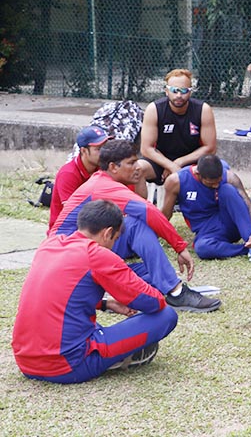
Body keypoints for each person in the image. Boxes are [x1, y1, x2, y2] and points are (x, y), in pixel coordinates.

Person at [12, 200, 178, 383]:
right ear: (108, 233)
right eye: (114, 240)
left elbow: (61, 292)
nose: (113, 246)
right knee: (166, 315)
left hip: (25, 362)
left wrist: (106, 304)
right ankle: (115, 358)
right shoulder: (97, 255)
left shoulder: (49, 245)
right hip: (67, 365)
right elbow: (153, 302)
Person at [51, 140, 221, 313]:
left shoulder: (105, 182)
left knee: (156, 270)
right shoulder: (102, 185)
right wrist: (179, 246)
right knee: (136, 224)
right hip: (67, 257)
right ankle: (176, 293)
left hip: (82, 253)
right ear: (113, 167)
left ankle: (151, 287)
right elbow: (148, 211)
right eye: (131, 163)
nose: (137, 167)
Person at [161, 154, 251, 263]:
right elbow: (165, 216)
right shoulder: (176, 181)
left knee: (227, 190)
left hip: (230, 223)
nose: (215, 186)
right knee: (202, 248)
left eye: (218, 182)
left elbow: (249, 207)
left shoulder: (230, 177)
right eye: (211, 183)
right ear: (198, 174)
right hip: (206, 231)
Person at [136, 68, 217, 195]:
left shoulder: (203, 110)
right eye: (174, 90)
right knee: (137, 169)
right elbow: (146, 149)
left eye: (184, 91)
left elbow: (210, 148)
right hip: (160, 161)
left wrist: (179, 162)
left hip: (191, 162)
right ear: (166, 91)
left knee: (218, 171)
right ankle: (143, 210)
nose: (179, 95)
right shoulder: (154, 109)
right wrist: (170, 166)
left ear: (190, 92)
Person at [49, 126, 109, 229]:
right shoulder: (68, 174)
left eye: (105, 147)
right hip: (66, 230)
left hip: (94, 226)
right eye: (98, 149)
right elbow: (72, 214)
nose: (104, 152)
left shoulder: (103, 167)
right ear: (84, 151)